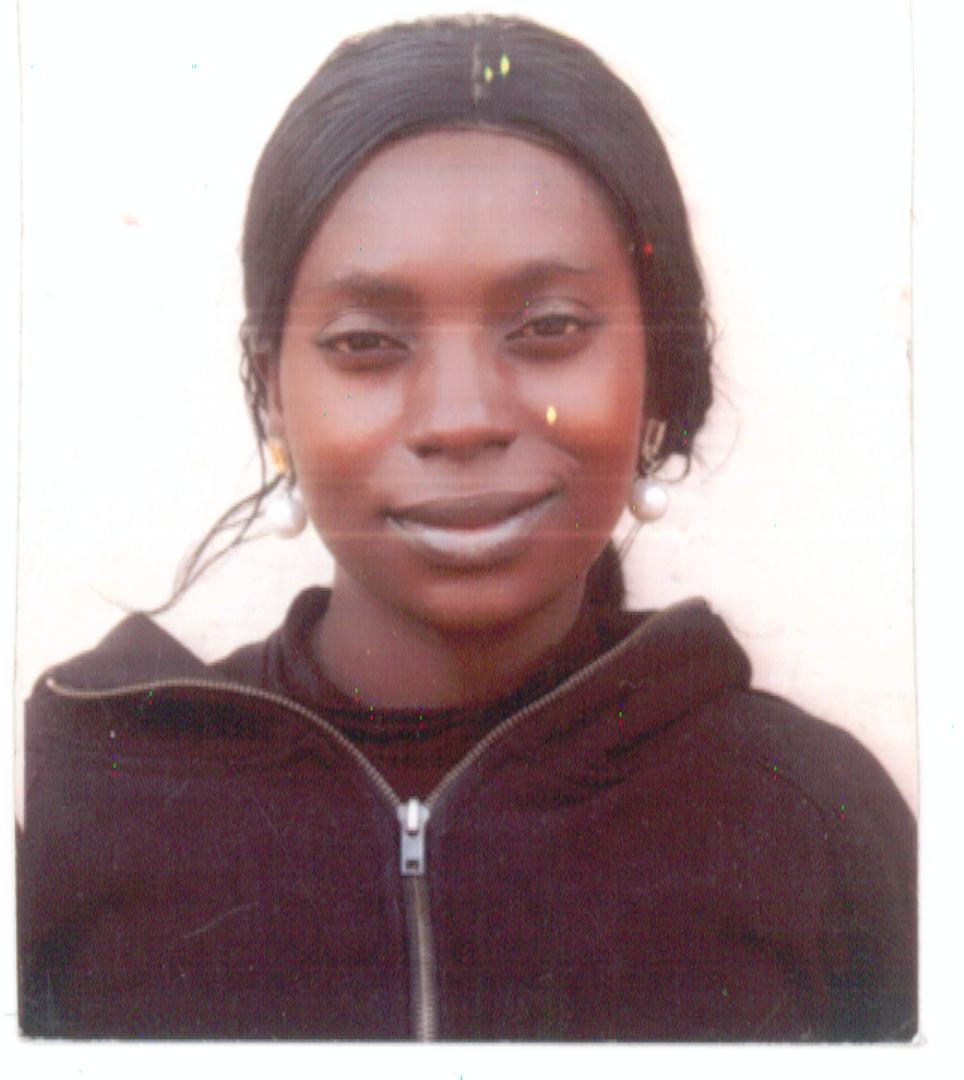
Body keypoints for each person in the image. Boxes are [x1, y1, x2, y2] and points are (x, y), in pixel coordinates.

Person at [16, 15, 916, 1040]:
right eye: (366, 343)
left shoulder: (815, 820)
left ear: (658, 371)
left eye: (549, 329)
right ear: (272, 396)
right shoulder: (80, 807)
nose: (461, 418)